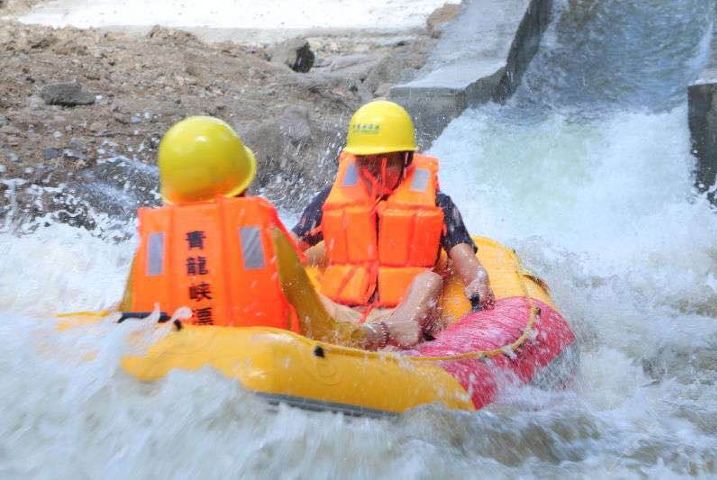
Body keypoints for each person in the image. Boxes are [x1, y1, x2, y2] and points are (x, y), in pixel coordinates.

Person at [293, 100, 495, 349]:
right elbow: (289, 247)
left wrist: (479, 282)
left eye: (387, 162)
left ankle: (391, 340)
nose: (375, 172)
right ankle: (352, 339)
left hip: (402, 317)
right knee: (302, 287)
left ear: (407, 159)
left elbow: (468, 265)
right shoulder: (329, 201)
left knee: (429, 280)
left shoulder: (437, 204)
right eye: (367, 162)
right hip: (345, 315)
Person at [119, 116, 302, 330]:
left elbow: (126, 319)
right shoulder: (268, 237)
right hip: (254, 357)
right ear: (242, 185)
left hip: (171, 358)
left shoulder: (151, 246)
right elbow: (316, 321)